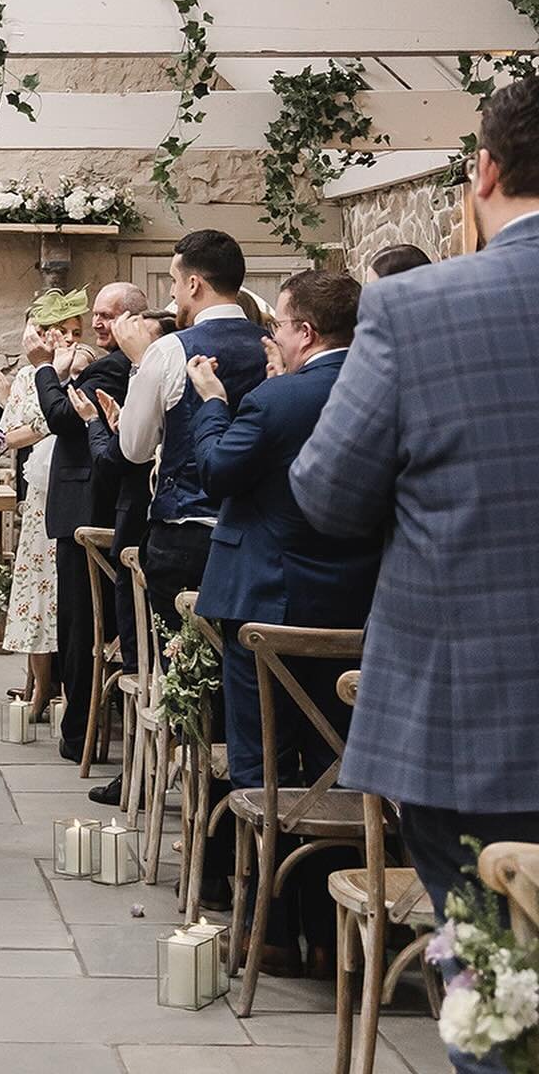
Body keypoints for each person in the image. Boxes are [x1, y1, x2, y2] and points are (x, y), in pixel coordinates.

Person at [292, 78, 539, 1074]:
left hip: (472, 721)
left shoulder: (418, 306)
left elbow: (328, 496)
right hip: (477, 725)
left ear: (483, 173)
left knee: (499, 995)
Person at [190, 270, 381, 972]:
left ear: (304, 331)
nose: (272, 335)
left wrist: (213, 404)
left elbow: (215, 471)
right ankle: (334, 937)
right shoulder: (382, 397)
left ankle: (266, 934)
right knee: (338, 771)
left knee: (263, 772)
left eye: (279, 325)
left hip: (264, 607)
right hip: (354, 611)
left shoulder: (275, 400)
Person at [114, 231, 268, 636]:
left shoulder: (168, 351)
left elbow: (133, 448)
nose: (173, 293)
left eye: (174, 281)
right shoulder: (274, 348)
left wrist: (137, 367)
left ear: (194, 283)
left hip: (186, 537)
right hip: (259, 537)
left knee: (184, 675)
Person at [29, 282, 144, 769]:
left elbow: (61, 417)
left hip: (86, 508)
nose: (97, 324)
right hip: (84, 506)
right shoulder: (111, 364)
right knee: (78, 625)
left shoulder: (113, 368)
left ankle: (79, 729)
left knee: (80, 627)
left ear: (131, 319)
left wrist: (43, 367)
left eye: (107, 315)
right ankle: (82, 722)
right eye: (95, 315)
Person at [0, 310, 69, 718]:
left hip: (70, 482)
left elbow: (47, 422)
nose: (51, 336)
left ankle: (60, 687)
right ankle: (38, 685)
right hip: (40, 489)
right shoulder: (29, 377)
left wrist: (39, 425)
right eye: (41, 329)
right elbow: (12, 434)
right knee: (37, 590)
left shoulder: (79, 364)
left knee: (62, 590)